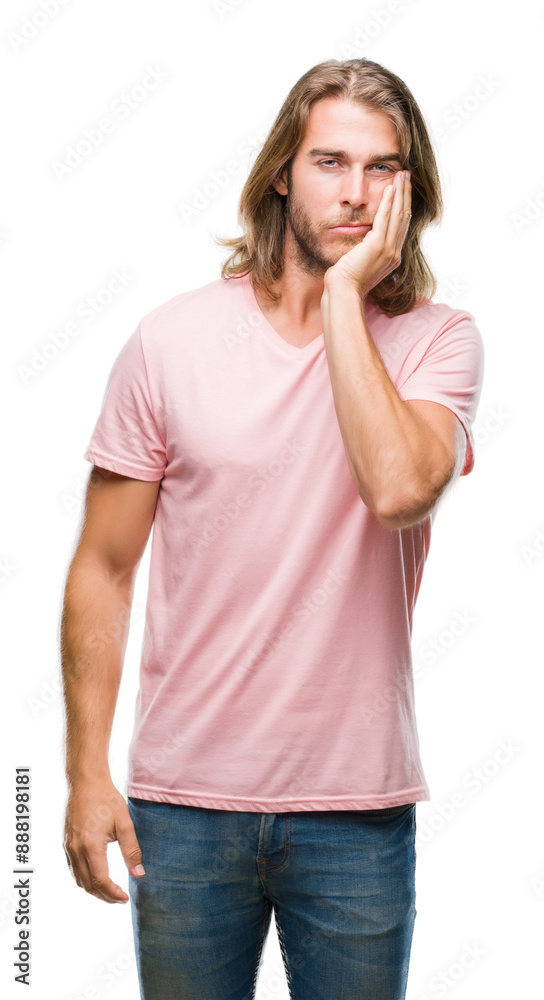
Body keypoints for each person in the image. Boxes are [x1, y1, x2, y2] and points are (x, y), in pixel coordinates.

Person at [60, 57, 485, 1000]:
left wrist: (344, 297)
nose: (357, 191)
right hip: (182, 808)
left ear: (411, 189)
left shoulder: (438, 340)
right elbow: (103, 565)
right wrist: (87, 773)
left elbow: (398, 487)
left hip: (356, 814)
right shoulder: (169, 340)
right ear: (282, 173)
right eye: (332, 162)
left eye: (384, 169)